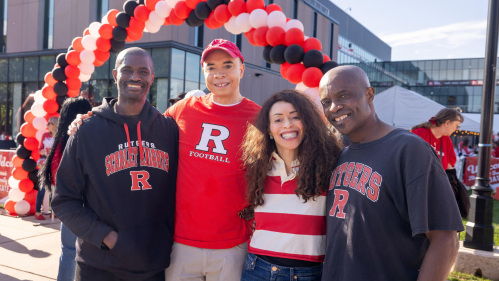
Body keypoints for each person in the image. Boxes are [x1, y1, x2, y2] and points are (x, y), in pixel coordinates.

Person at [69, 39, 261, 280]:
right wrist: (92, 117)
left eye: (227, 65)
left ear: (241, 68)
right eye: (211, 67)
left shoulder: (260, 117)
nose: (219, 74)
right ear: (203, 72)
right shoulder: (184, 109)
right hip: (180, 244)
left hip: (231, 244)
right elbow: (139, 122)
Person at [319, 65, 463, 281]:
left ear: (369, 95)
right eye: (326, 102)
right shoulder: (338, 153)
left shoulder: (409, 148)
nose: (334, 107)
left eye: (344, 95)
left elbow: (445, 238)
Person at [52, 47, 179, 281]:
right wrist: (108, 237)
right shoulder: (86, 131)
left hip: (153, 265)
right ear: (115, 74)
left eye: (143, 71)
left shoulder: (169, 130)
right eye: (127, 70)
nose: (135, 77)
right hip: (98, 266)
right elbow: (64, 200)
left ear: (152, 77)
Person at [240, 90, 341, 280]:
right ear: (269, 129)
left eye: (295, 117)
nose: (287, 125)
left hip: (309, 273)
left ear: (307, 123)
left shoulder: (328, 166)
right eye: (278, 120)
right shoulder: (258, 167)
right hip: (257, 269)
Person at [39, 97, 92, 281]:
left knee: (68, 252)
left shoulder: (61, 141)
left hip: (68, 207)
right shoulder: (86, 138)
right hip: (86, 205)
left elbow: (54, 175)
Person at [34, 116, 59, 220]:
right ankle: (37, 212)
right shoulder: (45, 135)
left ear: (53, 124)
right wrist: (41, 152)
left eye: (48, 124)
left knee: (55, 187)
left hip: (55, 163)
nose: (46, 126)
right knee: (43, 186)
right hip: (44, 162)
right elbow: (40, 149)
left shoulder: (59, 136)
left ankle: (54, 211)